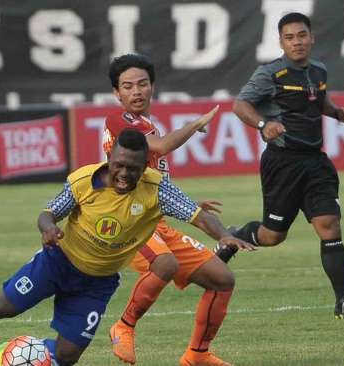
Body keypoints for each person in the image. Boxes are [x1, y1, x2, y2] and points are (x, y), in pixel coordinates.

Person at [0, 128, 254, 366]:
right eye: (118, 166)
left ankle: (13, 353)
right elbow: (48, 212)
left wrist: (220, 234)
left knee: (67, 356)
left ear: (144, 166)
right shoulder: (84, 180)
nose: (123, 174)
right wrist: (48, 229)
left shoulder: (158, 189)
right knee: (2, 307)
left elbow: (197, 215)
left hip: (97, 282)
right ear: (109, 161)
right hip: (58, 261)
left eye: (132, 168)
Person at [214, 12, 344, 319]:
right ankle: (233, 237)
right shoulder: (271, 73)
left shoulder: (319, 70)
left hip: (316, 161)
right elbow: (240, 105)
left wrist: (339, 114)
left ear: (311, 38)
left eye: (301, 36)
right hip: (282, 163)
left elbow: (318, 100)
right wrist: (263, 124)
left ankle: (343, 301)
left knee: (329, 225)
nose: (297, 42)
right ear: (281, 42)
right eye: (290, 37)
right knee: (273, 236)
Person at [103, 53, 246, 366]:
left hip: (154, 221)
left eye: (142, 83)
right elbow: (162, 147)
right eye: (127, 86)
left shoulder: (150, 127)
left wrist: (192, 206)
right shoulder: (119, 121)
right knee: (164, 265)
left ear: (153, 86)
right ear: (117, 93)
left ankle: (198, 354)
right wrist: (194, 125)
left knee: (222, 279)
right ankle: (124, 326)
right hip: (126, 221)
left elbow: (156, 185)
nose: (136, 91)